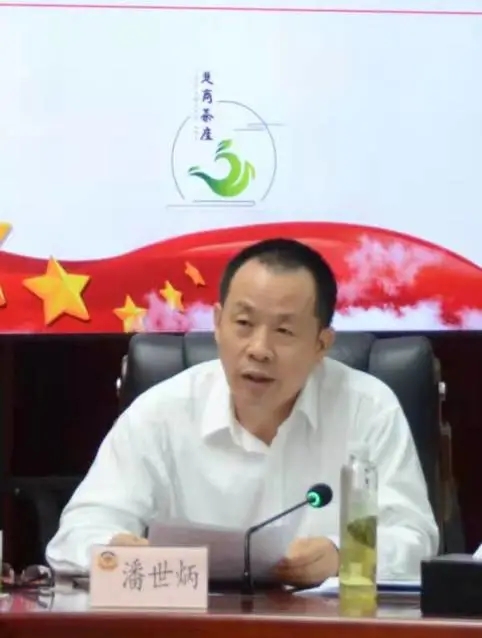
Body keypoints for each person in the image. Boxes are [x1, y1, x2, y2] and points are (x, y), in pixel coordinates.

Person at [46, 238, 438, 585]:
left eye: (284, 331)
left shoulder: (368, 410)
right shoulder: (161, 413)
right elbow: (76, 535)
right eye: (244, 323)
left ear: (321, 344)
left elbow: (413, 538)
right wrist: (115, 549)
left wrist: (342, 555)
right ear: (218, 323)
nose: (259, 349)